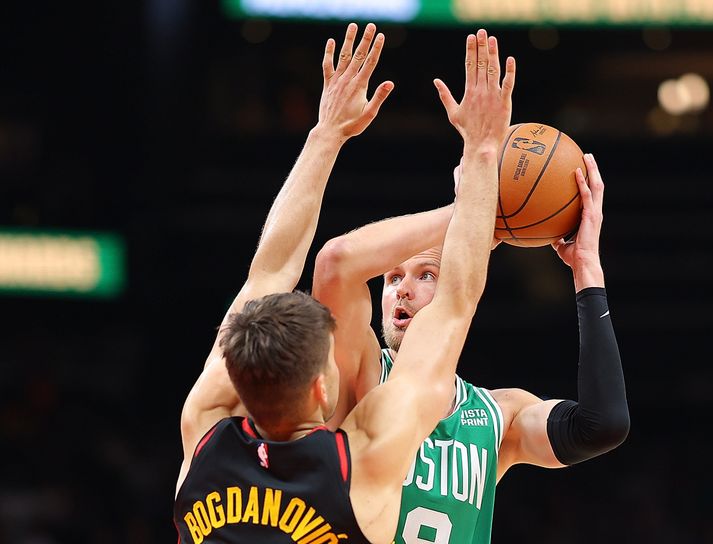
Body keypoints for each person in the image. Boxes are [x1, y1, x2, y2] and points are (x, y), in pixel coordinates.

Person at [174, 24, 516, 544]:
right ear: (320, 388)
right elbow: (452, 307)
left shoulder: (203, 426)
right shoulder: (361, 461)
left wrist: (326, 133)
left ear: (236, 378)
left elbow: (268, 271)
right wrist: (483, 156)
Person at [313, 129, 630, 542]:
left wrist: (586, 266)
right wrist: (470, 212)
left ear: (457, 287)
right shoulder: (362, 375)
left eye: (425, 274)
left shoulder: (499, 415)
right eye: (391, 278)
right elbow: (335, 267)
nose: (402, 289)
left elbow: (603, 424)